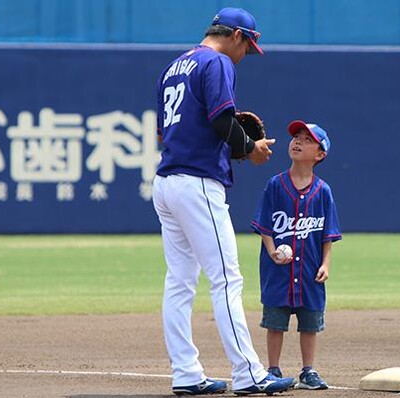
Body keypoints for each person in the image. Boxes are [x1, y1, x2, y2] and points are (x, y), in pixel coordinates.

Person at [152, 7, 295, 396]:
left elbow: (172, 132)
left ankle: (185, 373)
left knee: (180, 282)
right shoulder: (216, 62)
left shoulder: (173, 67)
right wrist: (249, 149)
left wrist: (236, 149)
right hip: (197, 186)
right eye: (246, 46)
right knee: (226, 278)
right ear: (234, 35)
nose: (244, 54)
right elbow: (219, 120)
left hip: (166, 183)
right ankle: (249, 373)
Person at [251, 120, 342, 390]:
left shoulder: (323, 191)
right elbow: (265, 225)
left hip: (310, 270)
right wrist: (271, 252)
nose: (298, 141)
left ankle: (308, 371)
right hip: (277, 271)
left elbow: (328, 233)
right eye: (296, 137)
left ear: (320, 154)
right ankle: (274, 369)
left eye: (307, 139)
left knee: (310, 323)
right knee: (275, 323)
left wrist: (326, 264)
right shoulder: (275, 185)